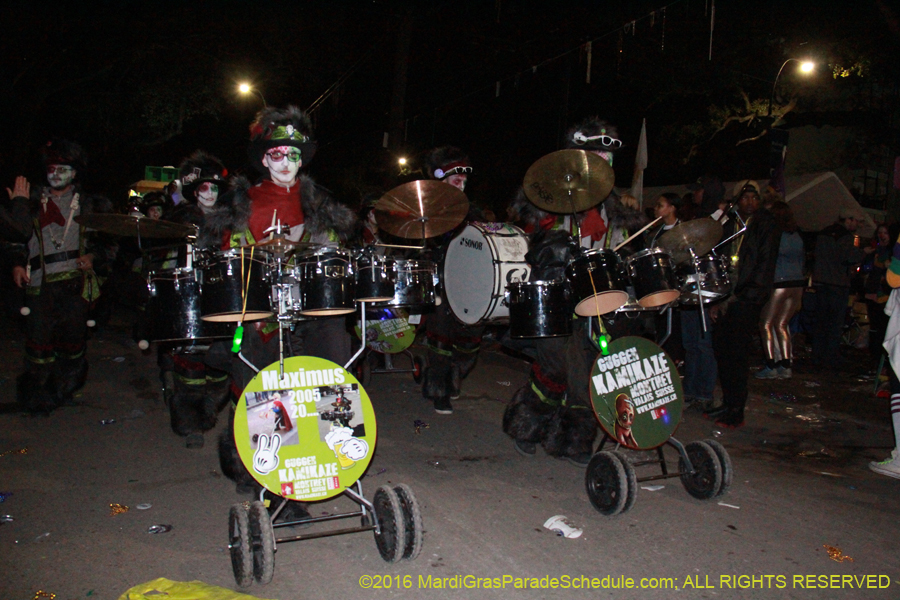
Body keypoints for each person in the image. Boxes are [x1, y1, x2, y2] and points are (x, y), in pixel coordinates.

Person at [216, 106, 356, 493]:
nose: (286, 162)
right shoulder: (242, 203)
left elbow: (333, 257)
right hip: (261, 312)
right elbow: (227, 257)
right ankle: (269, 474)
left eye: (293, 154)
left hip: (311, 311)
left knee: (333, 361)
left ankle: (334, 452)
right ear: (264, 158)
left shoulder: (319, 202)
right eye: (277, 154)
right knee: (266, 388)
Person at [503, 117, 645, 466]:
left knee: (591, 372)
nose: (604, 160)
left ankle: (574, 440)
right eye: (596, 152)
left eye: (608, 154)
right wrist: (561, 241)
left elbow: (622, 250)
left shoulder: (617, 209)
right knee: (557, 369)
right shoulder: (548, 197)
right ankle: (527, 425)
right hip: (556, 300)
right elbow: (535, 245)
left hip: (599, 301)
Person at [7, 139, 112, 413]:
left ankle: (64, 387)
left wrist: (92, 257)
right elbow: (16, 238)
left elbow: (109, 244)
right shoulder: (30, 203)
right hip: (39, 285)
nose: (55, 174)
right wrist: (18, 263)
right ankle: (37, 395)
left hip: (75, 285)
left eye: (62, 169)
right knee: (38, 344)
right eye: (51, 169)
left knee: (72, 343)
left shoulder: (90, 205)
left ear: (74, 173)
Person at [154, 151, 232, 448]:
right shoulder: (182, 218)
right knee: (190, 362)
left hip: (222, 296)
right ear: (193, 191)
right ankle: (190, 422)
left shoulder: (230, 221)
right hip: (190, 295)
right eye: (204, 187)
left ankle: (208, 408)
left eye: (214, 187)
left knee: (223, 361)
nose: (210, 193)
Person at [703, 180, 780, 428]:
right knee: (722, 350)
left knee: (737, 354)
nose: (750, 202)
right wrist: (717, 299)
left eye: (754, 198)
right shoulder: (730, 223)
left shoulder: (765, 224)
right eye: (745, 198)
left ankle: (737, 409)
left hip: (746, 298)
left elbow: (764, 265)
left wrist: (748, 296)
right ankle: (727, 402)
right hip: (726, 296)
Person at [419, 146, 483, 415]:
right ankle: (439, 389)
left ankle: (456, 373)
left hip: (467, 280)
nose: (462, 184)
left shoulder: (472, 212)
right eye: (456, 179)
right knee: (441, 336)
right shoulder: (425, 208)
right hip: (438, 278)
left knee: (471, 339)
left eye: (464, 180)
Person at [810, 207, 872, 370]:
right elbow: (848, 257)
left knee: (821, 321)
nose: (857, 226)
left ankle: (817, 355)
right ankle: (830, 357)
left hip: (821, 282)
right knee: (835, 323)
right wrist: (862, 253)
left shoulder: (823, 233)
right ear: (848, 220)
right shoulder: (844, 237)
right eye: (856, 222)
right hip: (837, 283)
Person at [755, 201, 806, 379]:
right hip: (797, 283)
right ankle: (786, 364)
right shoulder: (796, 234)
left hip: (779, 283)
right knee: (782, 324)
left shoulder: (775, 235)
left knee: (766, 323)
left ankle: (772, 364)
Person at [863, 223, 893, 373]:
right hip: (873, 291)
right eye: (880, 232)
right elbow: (865, 268)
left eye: (885, 233)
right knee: (874, 328)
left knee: (883, 328)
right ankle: (874, 360)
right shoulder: (875, 251)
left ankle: (883, 362)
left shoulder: (892, 252)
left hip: (885, 294)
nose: (882, 236)